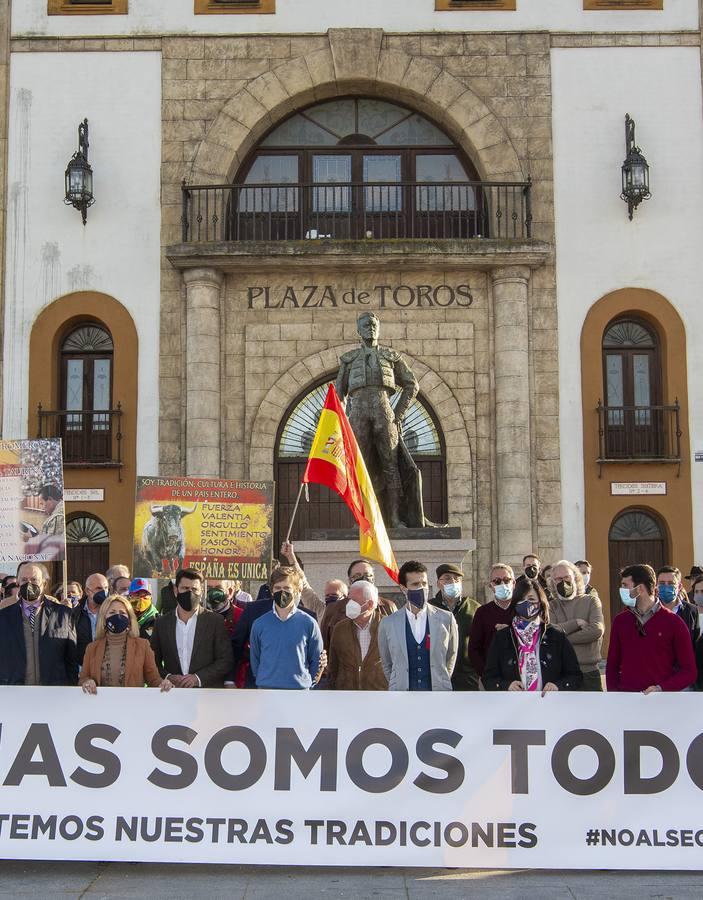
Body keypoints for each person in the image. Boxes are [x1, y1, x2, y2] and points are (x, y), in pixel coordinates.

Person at [335, 311, 421, 527]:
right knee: (360, 467)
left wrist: (398, 414)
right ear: (358, 330)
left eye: (373, 325)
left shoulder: (392, 357)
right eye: (365, 325)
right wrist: (342, 421)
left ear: (378, 328)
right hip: (358, 413)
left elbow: (412, 384)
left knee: (390, 464)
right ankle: (361, 519)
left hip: (384, 411)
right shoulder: (349, 359)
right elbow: (339, 394)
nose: (370, 328)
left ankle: (394, 518)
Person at [606, 564, 697, 693]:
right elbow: (612, 666)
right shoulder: (620, 621)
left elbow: (689, 671)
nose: (622, 589)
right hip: (626, 701)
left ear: (640, 588)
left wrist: (662, 688)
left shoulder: (674, 622)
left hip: (662, 702)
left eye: (625, 585)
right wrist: (614, 694)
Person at [483, 578, 582, 694]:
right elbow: (488, 678)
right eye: (521, 599)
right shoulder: (502, 637)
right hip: (512, 705)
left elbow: (575, 676)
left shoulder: (556, 636)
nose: (526, 603)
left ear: (540, 602)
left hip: (548, 704)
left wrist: (558, 686)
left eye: (531, 599)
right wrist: (506, 685)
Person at [378, 560, 457, 691]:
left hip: (437, 694)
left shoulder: (446, 618)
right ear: (403, 588)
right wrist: (399, 682)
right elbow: (387, 663)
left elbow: (451, 657)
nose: (422, 588)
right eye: (415, 584)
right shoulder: (388, 623)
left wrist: (441, 680)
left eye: (424, 583)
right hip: (402, 695)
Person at [150, 569, 233, 688]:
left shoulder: (215, 621)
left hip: (205, 695)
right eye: (185, 588)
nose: (190, 593)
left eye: (194, 589)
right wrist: (168, 677)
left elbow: (225, 660)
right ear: (175, 590)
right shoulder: (162, 623)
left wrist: (198, 678)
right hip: (172, 693)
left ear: (202, 592)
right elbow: (152, 661)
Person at [0, 562, 79, 685]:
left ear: (44, 583)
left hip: (53, 692)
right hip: (14, 693)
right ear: (18, 583)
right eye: (24, 580)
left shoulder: (63, 614)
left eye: (34, 579)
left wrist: (71, 687)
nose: (29, 583)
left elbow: (71, 659)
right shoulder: (3, 617)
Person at [249, 566, 323, 690]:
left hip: (299, 691)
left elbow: (316, 659)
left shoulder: (309, 623)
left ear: (295, 590)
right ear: (272, 590)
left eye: (287, 588)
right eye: (278, 588)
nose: (282, 592)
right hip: (266, 690)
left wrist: (307, 682)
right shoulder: (259, 624)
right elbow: (255, 659)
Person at [79, 594, 172, 693]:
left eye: (122, 613)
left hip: (132, 705)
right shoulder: (92, 648)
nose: (117, 616)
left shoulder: (143, 646)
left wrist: (162, 683)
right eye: (112, 612)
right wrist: (88, 682)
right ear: (104, 618)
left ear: (129, 618)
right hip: (100, 705)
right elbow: (83, 678)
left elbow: (153, 679)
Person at [548, 560, 604, 691]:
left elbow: (596, 630)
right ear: (553, 582)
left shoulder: (591, 600)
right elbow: (550, 634)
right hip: (561, 674)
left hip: (589, 673)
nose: (563, 582)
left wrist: (563, 638)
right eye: (558, 579)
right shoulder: (551, 605)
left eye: (566, 577)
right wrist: (576, 623)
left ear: (575, 577)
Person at [328, 580, 388, 690]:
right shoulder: (340, 628)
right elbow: (333, 666)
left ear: (369, 604)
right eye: (349, 599)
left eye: (354, 601)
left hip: (379, 695)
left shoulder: (388, 627)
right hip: (347, 696)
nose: (349, 604)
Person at [429, 562, 480, 690]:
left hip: (467, 677)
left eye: (456, 579)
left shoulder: (475, 608)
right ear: (438, 583)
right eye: (447, 578)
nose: (452, 582)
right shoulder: (429, 608)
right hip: (436, 676)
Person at [468, 563, 516, 681]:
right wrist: (486, 674)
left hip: (520, 676)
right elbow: (474, 648)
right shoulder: (482, 612)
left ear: (514, 583)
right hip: (490, 678)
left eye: (506, 580)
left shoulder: (522, 609)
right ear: (491, 585)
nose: (502, 584)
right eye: (497, 581)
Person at [656, 565, 699, 647]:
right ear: (656, 585)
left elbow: (694, 644)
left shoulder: (691, 611)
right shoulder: (649, 611)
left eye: (671, 583)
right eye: (662, 583)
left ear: (679, 587)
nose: (666, 586)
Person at [318, 578, 349, 652]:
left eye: (334, 594)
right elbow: (306, 592)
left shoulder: (351, 615)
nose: (330, 597)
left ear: (344, 596)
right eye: (327, 595)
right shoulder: (321, 610)